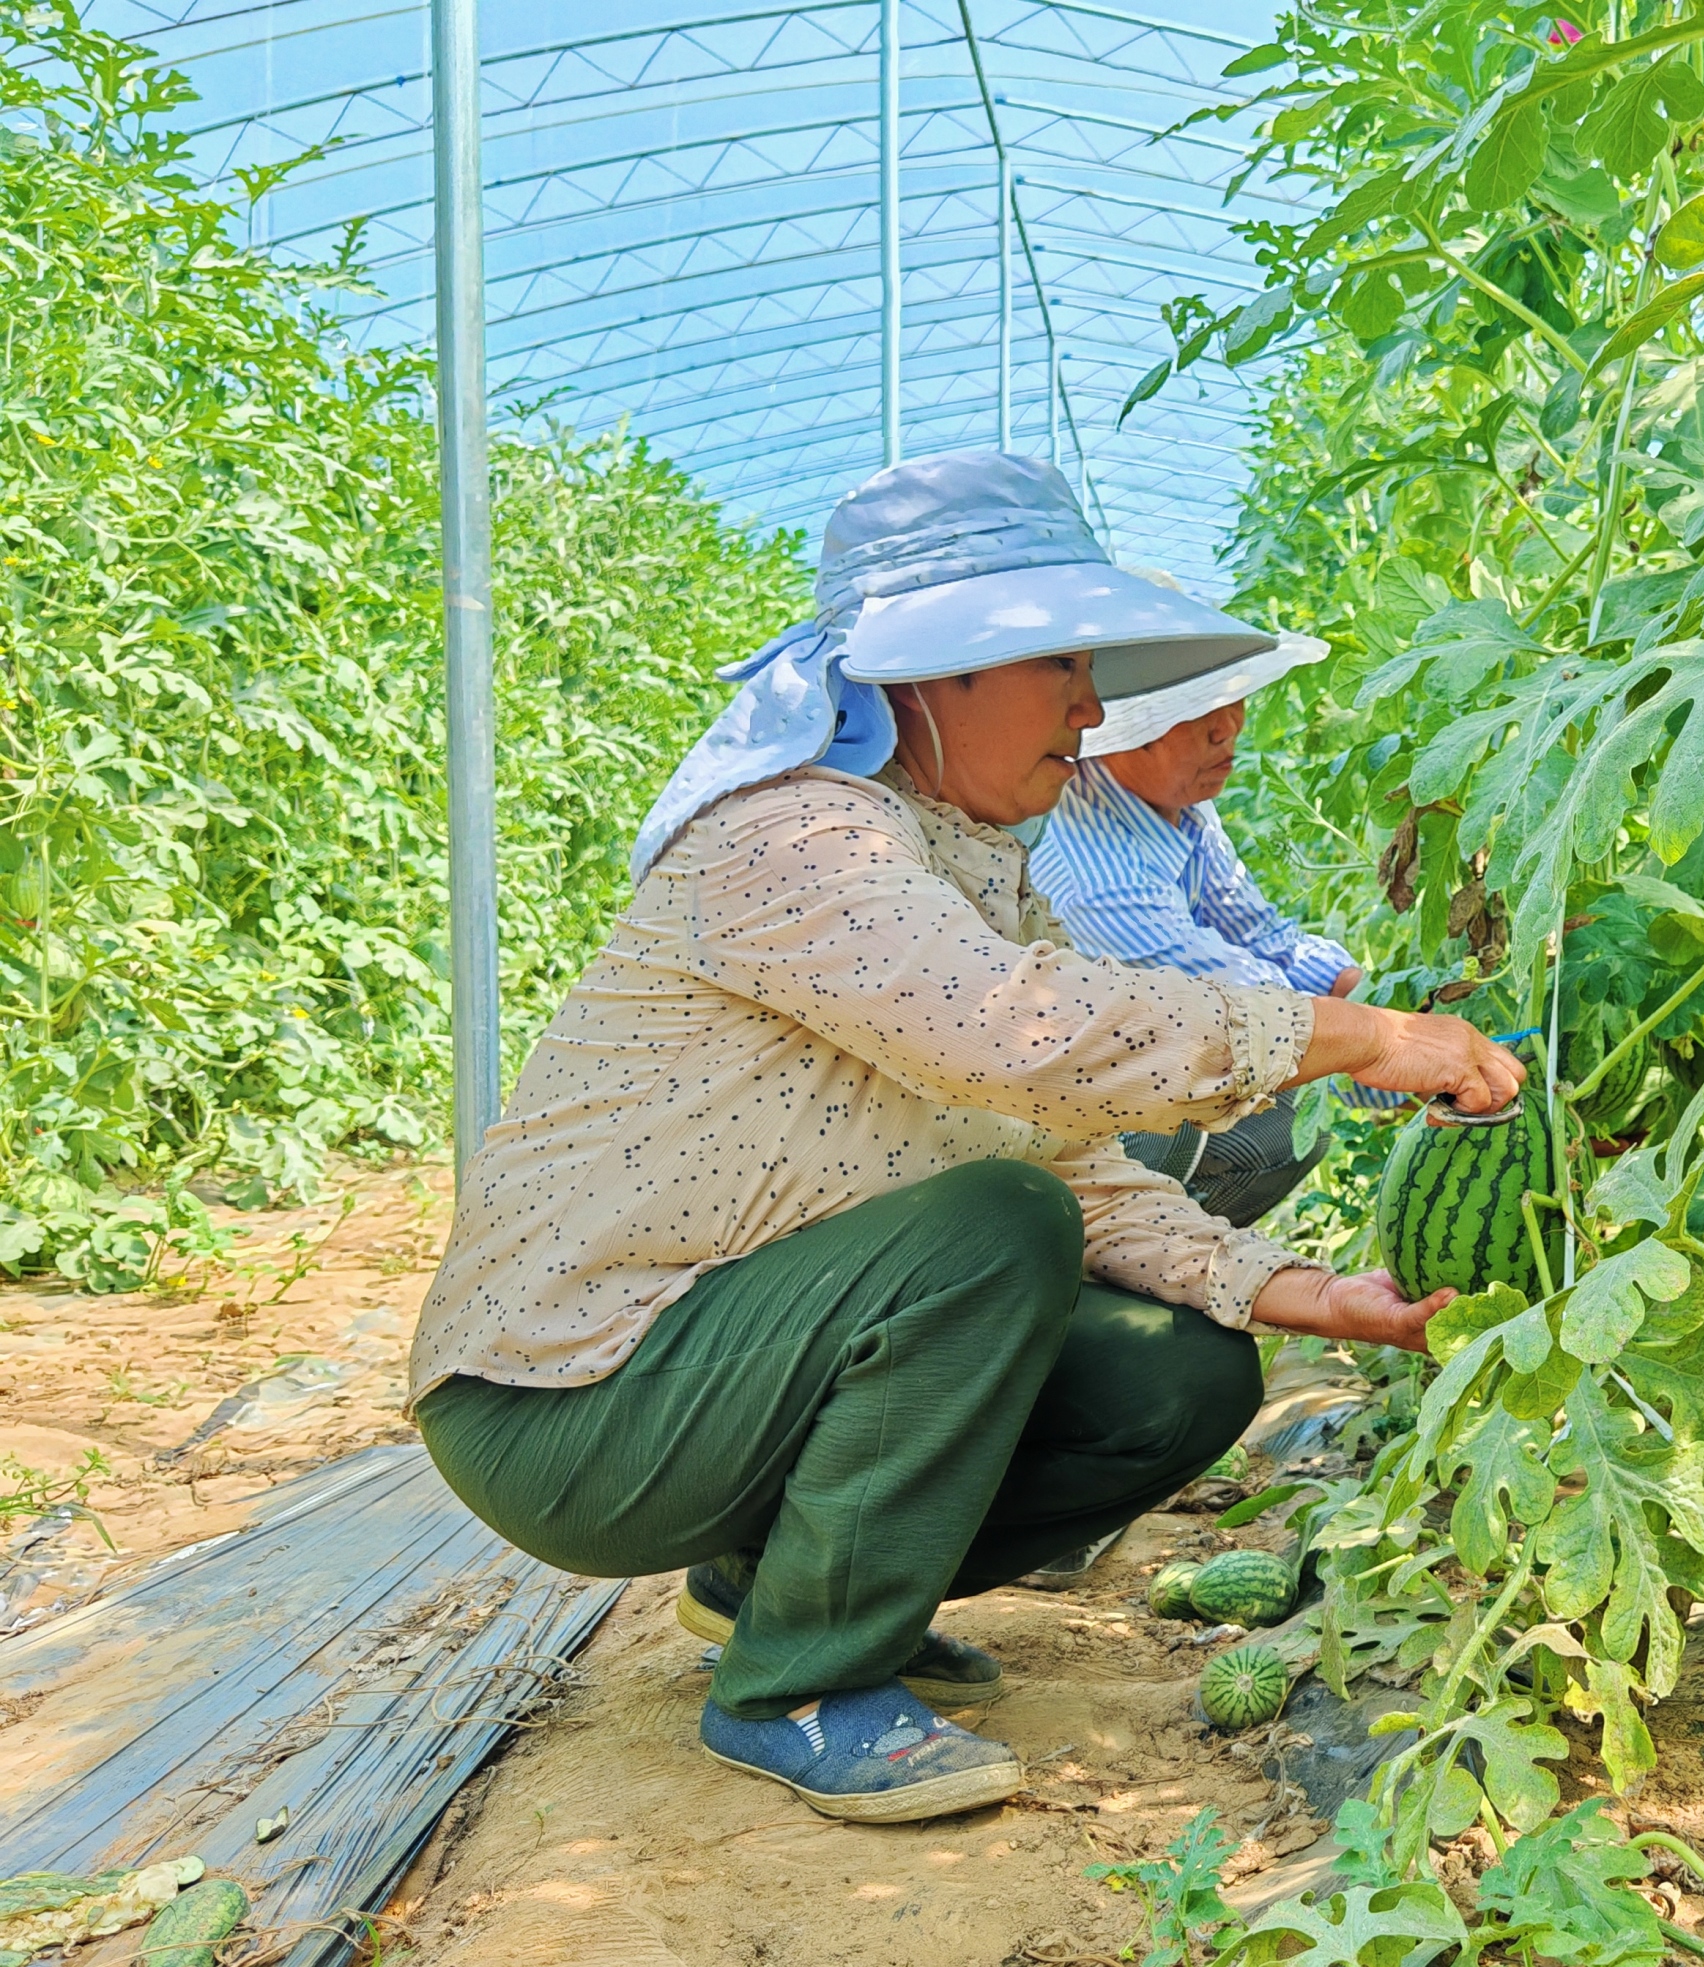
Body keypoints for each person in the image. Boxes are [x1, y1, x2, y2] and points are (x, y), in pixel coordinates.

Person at [407, 450, 1520, 1827]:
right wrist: (1358, 1034)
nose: (1090, 709)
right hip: (567, 1399)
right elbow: (1024, 1036)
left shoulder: (965, 862)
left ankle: (776, 1589)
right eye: (1062, 667)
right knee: (995, 1224)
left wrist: (1313, 1296)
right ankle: (799, 1685)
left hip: (708, 1371)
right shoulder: (796, 838)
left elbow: (1078, 1161)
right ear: (935, 677)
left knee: (1178, 1375)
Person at [1030, 635, 1371, 1227]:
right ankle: (1120, 1250)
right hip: (1059, 1119)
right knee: (1280, 1118)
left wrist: (1359, 987)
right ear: (1120, 733)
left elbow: (1258, 933)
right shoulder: (1097, 882)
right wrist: (1392, 1051)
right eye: (1191, 712)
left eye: (1230, 696)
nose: (1227, 727)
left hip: (1121, 1065)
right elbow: (1250, 1013)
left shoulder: (1172, 797)